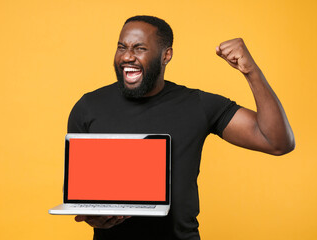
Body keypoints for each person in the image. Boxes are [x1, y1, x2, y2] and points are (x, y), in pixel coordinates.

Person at [68, 15, 295, 240]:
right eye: (121, 47)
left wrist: (251, 71)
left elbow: (276, 142)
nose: (127, 56)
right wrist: (91, 216)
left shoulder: (198, 105)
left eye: (139, 48)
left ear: (166, 55)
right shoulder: (89, 107)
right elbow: (79, 197)